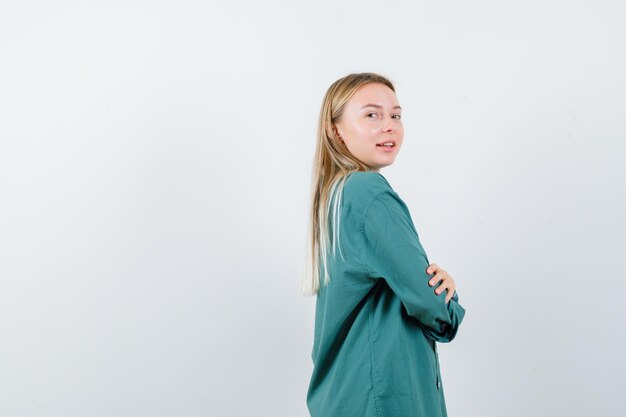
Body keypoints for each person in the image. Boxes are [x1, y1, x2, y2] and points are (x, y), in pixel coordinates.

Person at [302, 72, 466, 417]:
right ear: (336, 130)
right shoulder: (367, 193)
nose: (389, 126)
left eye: (395, 115)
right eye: (372, 115)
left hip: (346, 396)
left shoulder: (335, 197)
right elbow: (431, 303)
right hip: (383, 398)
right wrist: (449, 300)